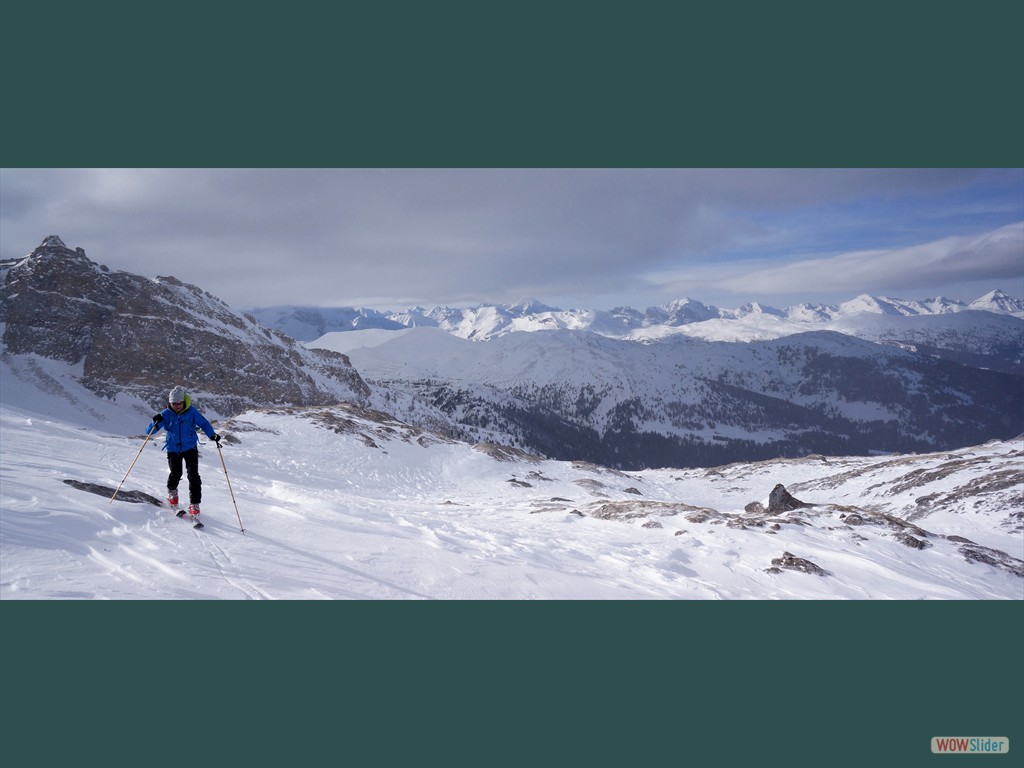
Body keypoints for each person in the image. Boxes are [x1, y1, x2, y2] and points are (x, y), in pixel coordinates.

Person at [147, 385, 220, 520]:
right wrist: (154, 421)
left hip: (190, 447)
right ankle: (172, 493)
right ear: (170, 403)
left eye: (179, 403)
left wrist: (212, 435)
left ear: (183, 402)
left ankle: (195, 505)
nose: (177, 406)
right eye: (174, 404)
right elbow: (149, 432)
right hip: (173, 448)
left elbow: (204, 424)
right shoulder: (166, 414)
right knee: (176, 473)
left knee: (193, 476)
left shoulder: (191, 412)